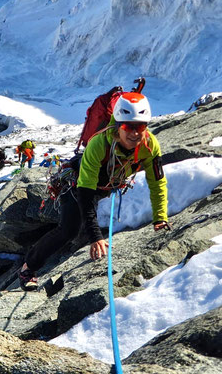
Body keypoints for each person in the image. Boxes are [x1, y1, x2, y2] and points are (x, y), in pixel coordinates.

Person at [18, 92, 169, 291]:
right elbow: (86, 192)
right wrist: (96, 237)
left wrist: (160, 217)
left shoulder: (150, 146)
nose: (134, 133)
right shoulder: (99, 144)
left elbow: (157, 181)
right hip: (77, 185)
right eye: (128, 126)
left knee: (80, 224)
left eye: (140, 126)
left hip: (106, 185)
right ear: (118, 125)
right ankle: (28, 268)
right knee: (69, 230)